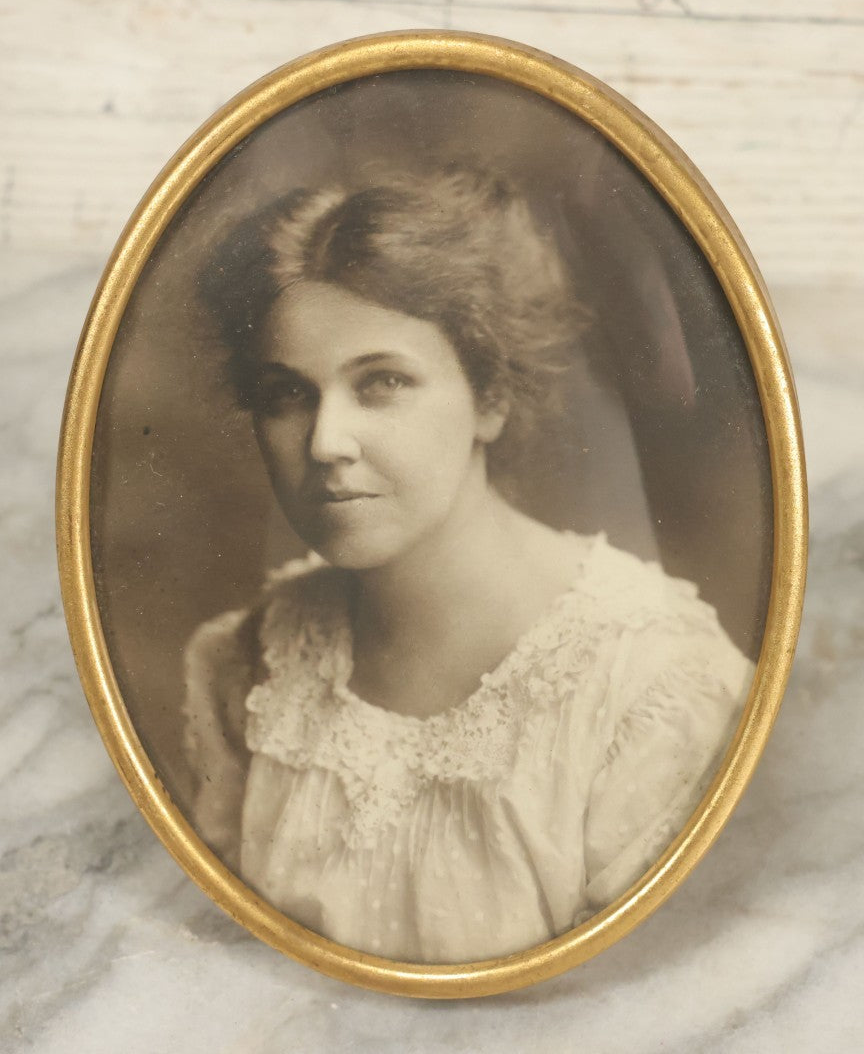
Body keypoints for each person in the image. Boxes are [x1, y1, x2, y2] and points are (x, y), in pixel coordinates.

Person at [183, 164, 753, 964]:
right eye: (287, 395)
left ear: (489, 397)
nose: (325, 443)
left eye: (381, 383)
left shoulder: (653, 687)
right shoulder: (246, 669)